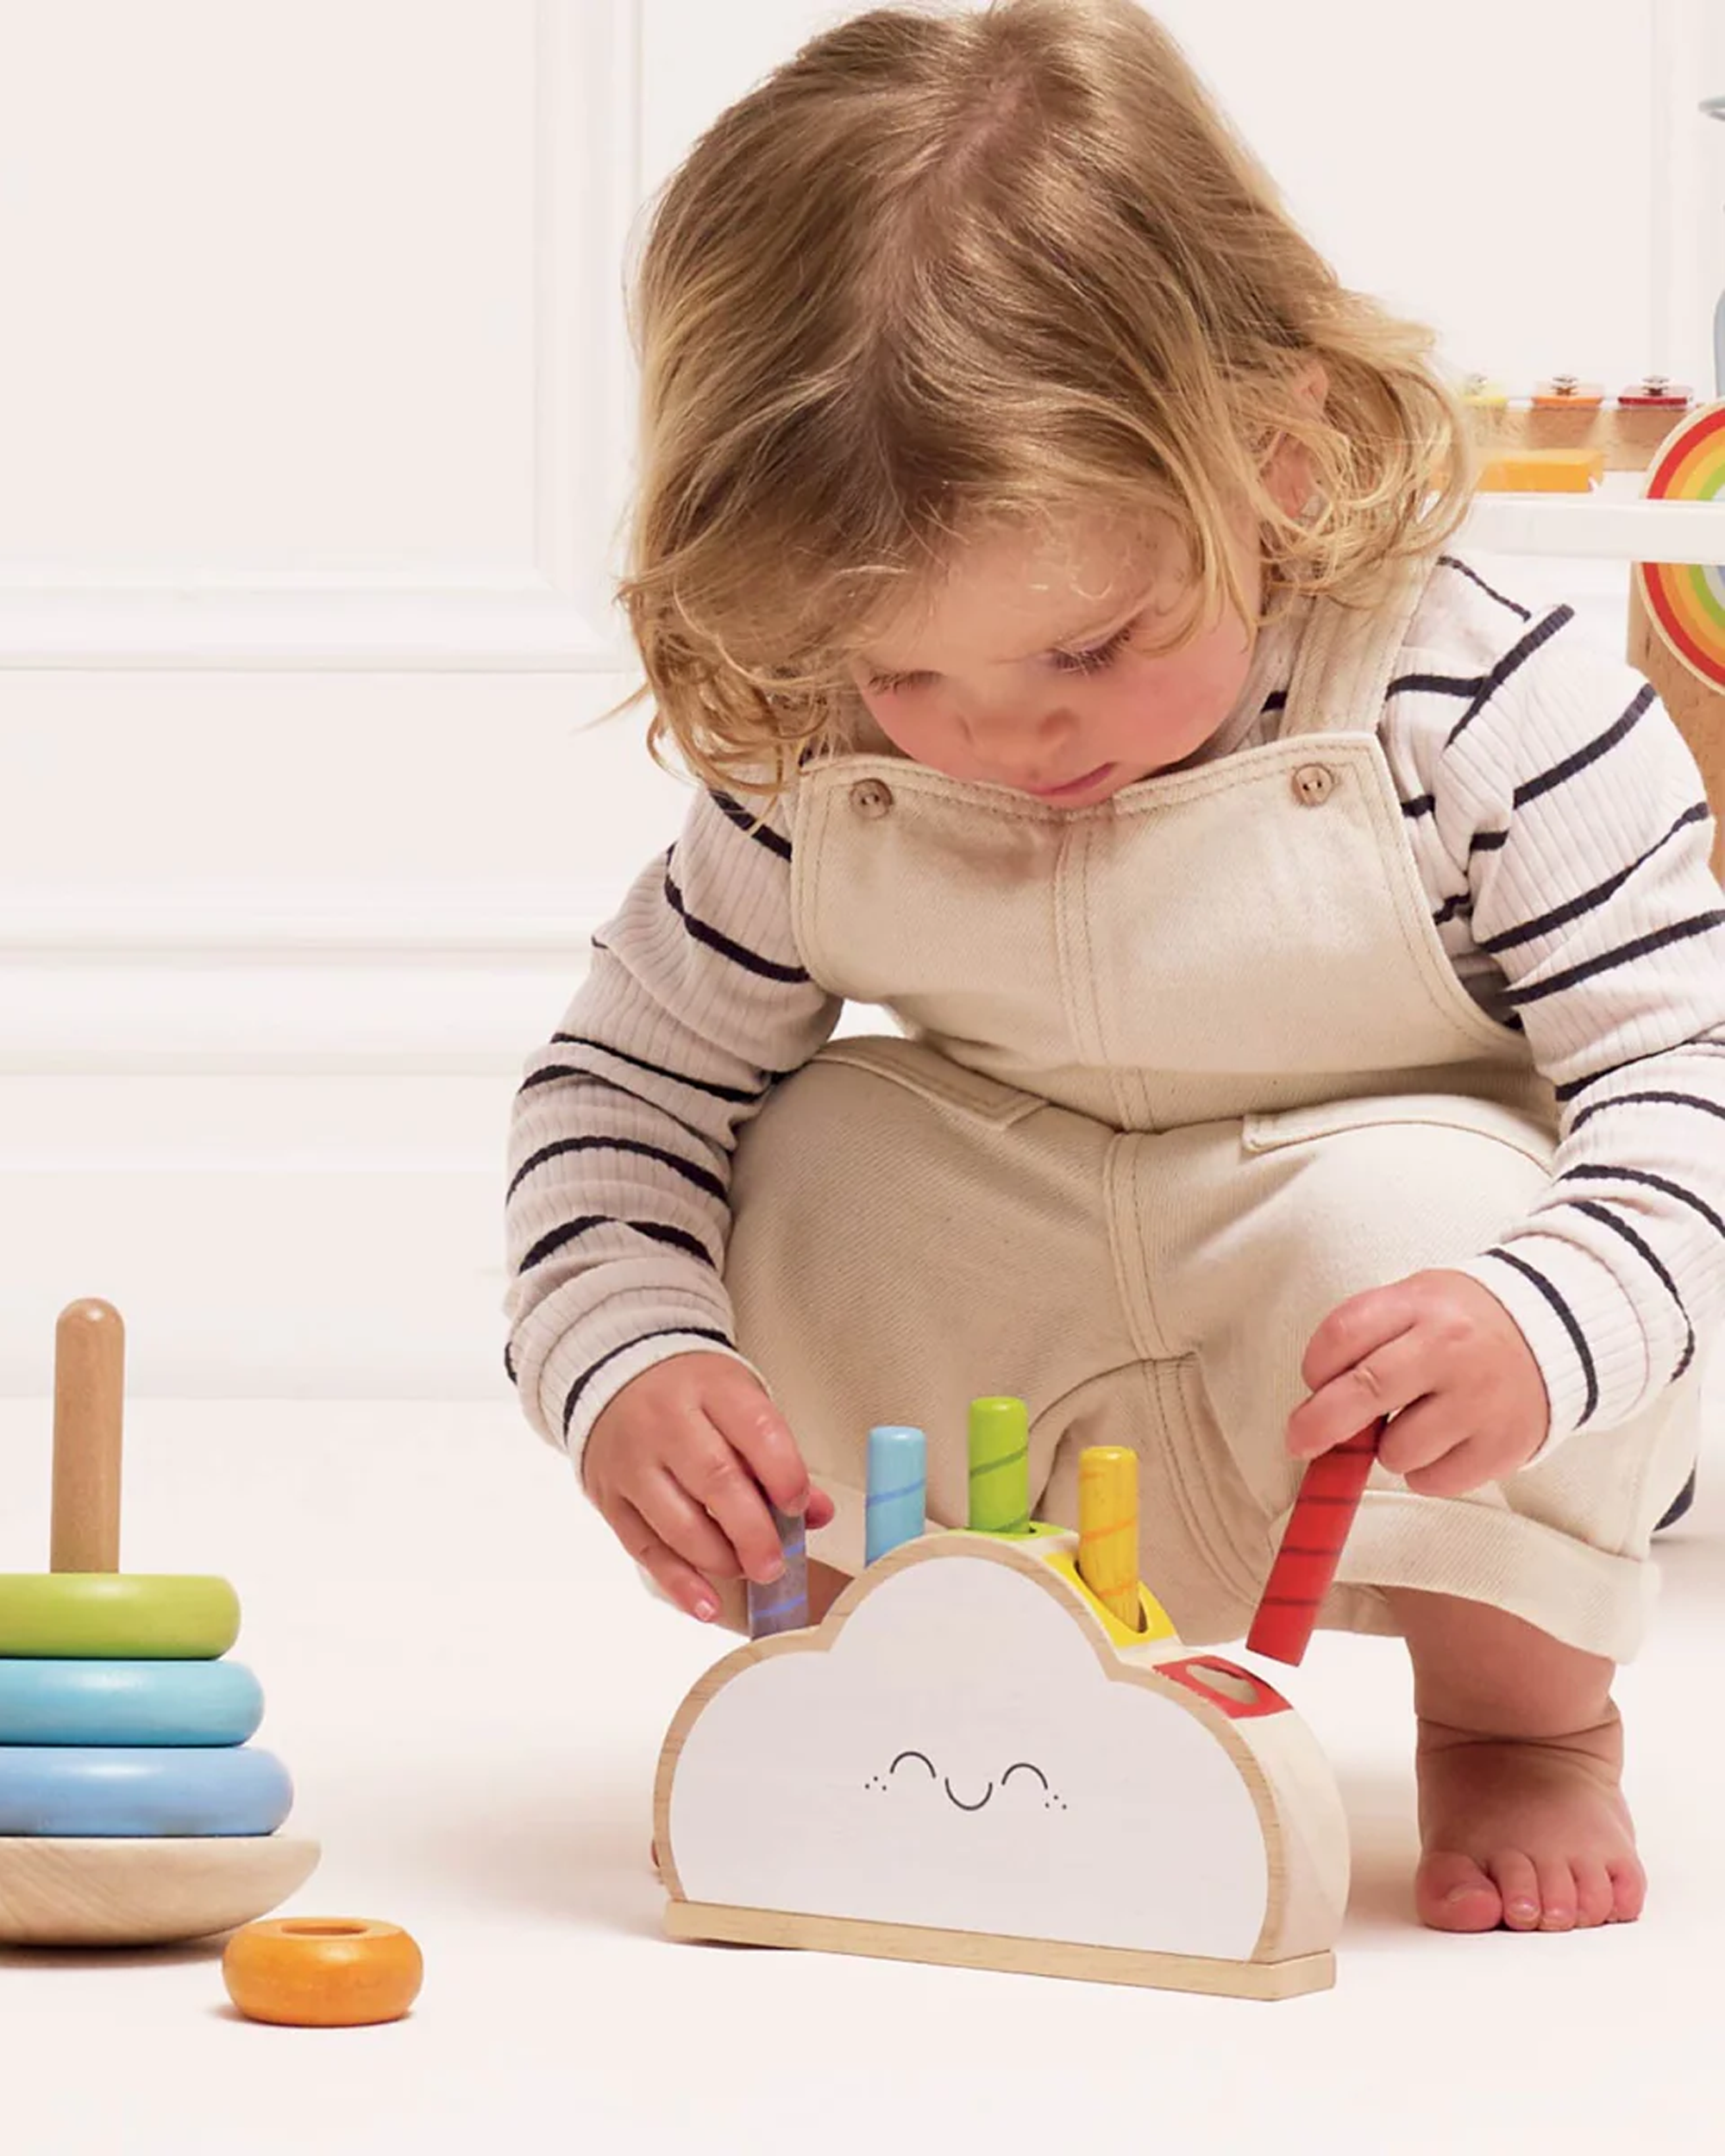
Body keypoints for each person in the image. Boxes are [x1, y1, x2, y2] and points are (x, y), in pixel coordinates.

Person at [503, 0, 1725, 1935]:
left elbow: (1687, 1080)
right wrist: (629, 1360)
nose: (1003, 742)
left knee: (1433, 1212)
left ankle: (1519, 1718)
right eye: (907, 673)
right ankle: (898, 1677)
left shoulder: (1475, 695)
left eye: (1090, 648)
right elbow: (613, 1097)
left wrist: (1541, 1312)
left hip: (1372, 1351)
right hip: (1024, 1350)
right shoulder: (820, 762)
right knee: (809, 1157)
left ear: (1277, 449)